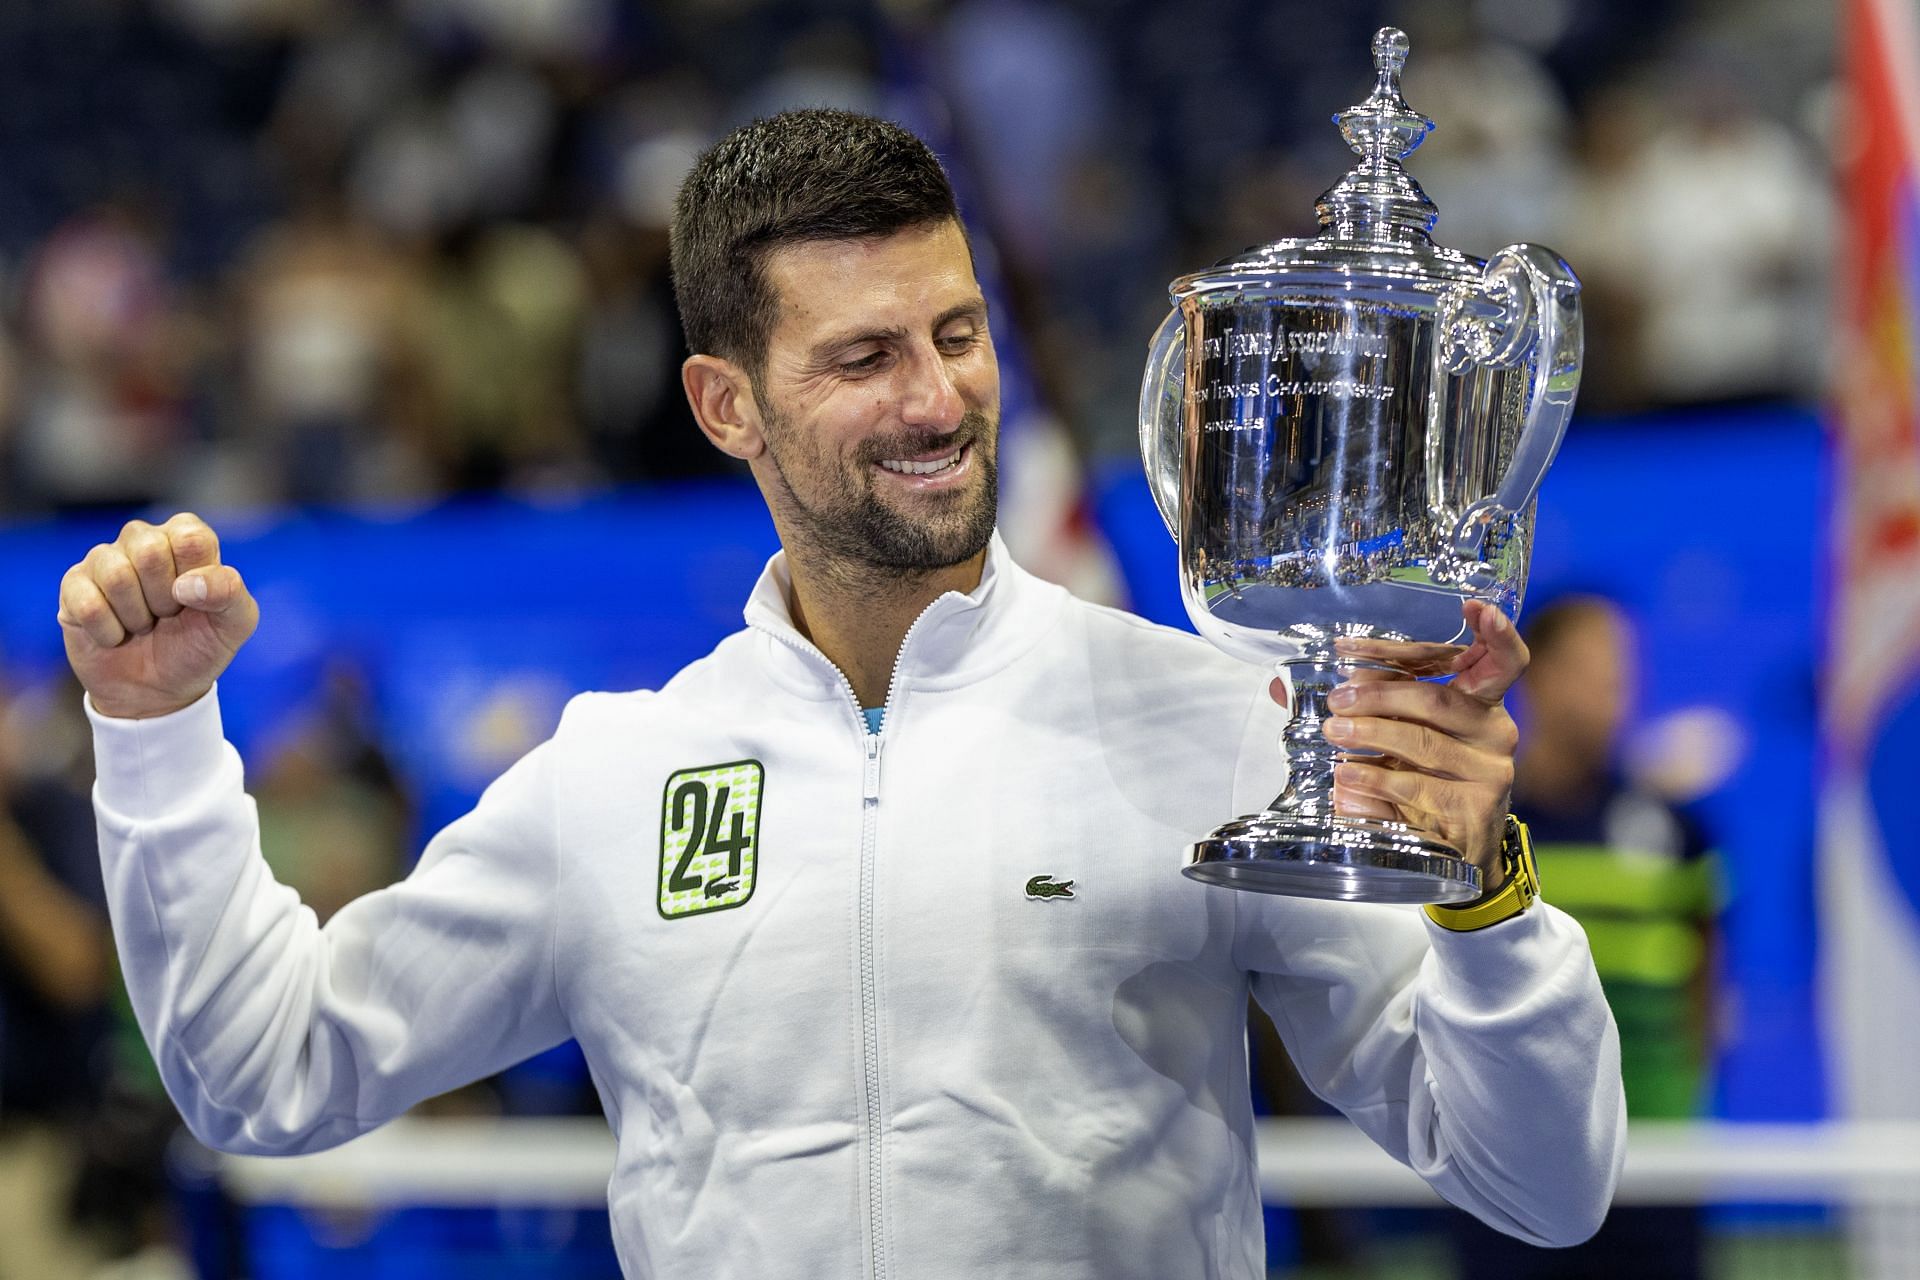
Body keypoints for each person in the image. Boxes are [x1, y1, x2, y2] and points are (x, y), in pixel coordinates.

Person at [56, 109, 1625, 1278]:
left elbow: (1545, 1184)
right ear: (725, 404)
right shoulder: (615, 778)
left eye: (958, 334)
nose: (939, 398)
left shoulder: (1212, 725)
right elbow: (261, 1073)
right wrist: (154, 738)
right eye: (865, 357)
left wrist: (1487, 907)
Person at [1451, 593, 1720, 1279]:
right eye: (1592, 667)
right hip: (1509, 1167)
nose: (1613, 689)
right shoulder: (1480, 833)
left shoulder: (1679, 831)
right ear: (1535, 677)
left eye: (1622, 670)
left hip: (1655, 1168)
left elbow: (1707, 984)